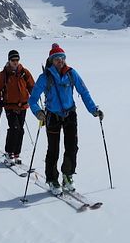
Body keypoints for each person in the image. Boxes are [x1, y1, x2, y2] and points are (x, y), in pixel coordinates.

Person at [28, 43, 103, 195]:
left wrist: (93, 109)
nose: (60, 61)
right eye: (56, 58)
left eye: (62, 58)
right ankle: (52, 179)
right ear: (51, 60)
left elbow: (84, 92)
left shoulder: (71, 73)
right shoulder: (45, 77)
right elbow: (32, 100)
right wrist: (38, 113)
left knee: (72, 147)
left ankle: (67, 176)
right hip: (52, 116)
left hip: (70, 115)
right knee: (53, 150)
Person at [0, 49, 35, 164]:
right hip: (10, 106)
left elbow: (32, 86)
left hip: (23, 106)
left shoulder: (24, 72)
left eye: (17, 59)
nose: (15, 62)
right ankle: (9, 152)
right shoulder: (4, 74)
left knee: (20, 130)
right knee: (14, 128)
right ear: (9, 60)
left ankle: (16, 153)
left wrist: (35, 96)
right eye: (12, 60)